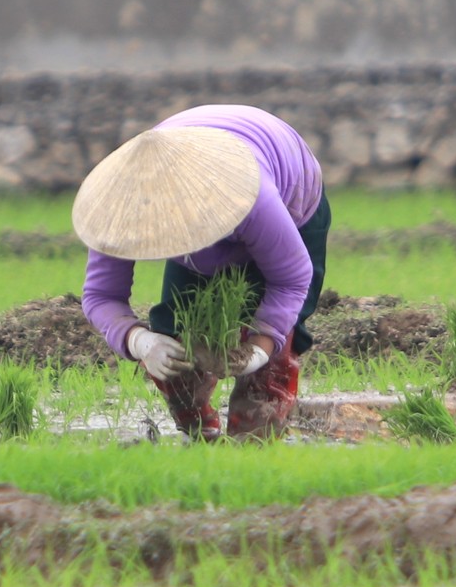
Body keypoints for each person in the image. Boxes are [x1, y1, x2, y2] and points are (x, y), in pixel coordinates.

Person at [76, 104, 329, 441]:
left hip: (288, 191)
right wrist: (140, 341)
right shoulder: (118, 208)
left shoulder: (253, 196)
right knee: (175, 337)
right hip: (210, 182)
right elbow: (101, 295)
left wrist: (259, 348)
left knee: (275, 355)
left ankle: (254, 448)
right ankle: (200, 436)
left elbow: (291, 278)